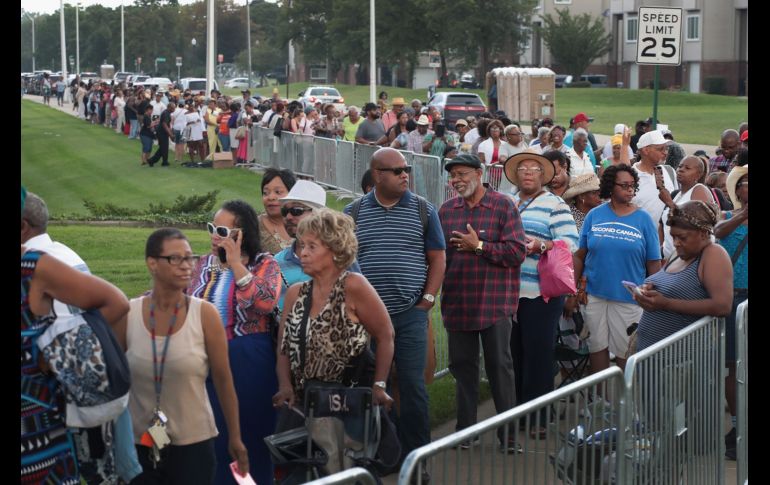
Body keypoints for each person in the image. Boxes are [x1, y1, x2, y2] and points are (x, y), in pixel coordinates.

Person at [114, 228, 248, 484]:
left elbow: (223, 379)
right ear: (152, 263)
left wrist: (235, 436)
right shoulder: (128, 315)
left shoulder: (204, 315)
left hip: (193, 445)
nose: (186, 266)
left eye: (189, 258)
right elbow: (113, 378)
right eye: (175, 259)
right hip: (139, 445)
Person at [21, 187, 130, 485]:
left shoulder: (40, 264)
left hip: (45, 411)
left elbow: (114, 305)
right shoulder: (65, 253)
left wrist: (53, 355)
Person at [343, 147, 446, 461]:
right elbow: (344, 261)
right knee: (373, 385)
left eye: (407, 170)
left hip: (410, 314)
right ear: (377, 175)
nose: (405, 176)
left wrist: (428, 299)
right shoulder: (353, 212)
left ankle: (416, 458)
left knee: (413, 387)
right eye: (398, 171)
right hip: (368, 319)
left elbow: (438, 257)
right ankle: (383, 454)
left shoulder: (423, 210)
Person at [273, 207, 395, 430]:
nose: (303, 253)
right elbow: (283, 345)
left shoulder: (354, 286)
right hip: (306, 400)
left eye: (312, 246)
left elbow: (386, 335)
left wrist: (379, 386)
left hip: (348, 402)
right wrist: (285, 385)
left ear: (336, 250)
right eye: (302, 245)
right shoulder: (295, 293)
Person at [187, 201, 282, 485]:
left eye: (221, 231)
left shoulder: (264, 263)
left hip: (248, 358)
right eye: (211, 228)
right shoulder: (204, 264)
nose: (214, 236)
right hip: (206, 358)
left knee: (251, 433)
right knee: (214, 432)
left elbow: (264, 302)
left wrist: (237, 264)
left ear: (241, 234)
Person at [439, 153, 527, 452]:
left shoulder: (503, 206)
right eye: (453, 176)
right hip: (457, 302)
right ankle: (466, 432)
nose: (456, 180)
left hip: (494, 303)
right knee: (463, 369)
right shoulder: (447, 211)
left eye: (462, 174)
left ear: (480, 174)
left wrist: (478, 246)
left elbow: (516, 253)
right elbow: (438, 257)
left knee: (499, 368)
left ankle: (509, 436)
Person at [504, 149, 579, 435]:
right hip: (508, 293)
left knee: (538, 355)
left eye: (534, 169)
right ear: (515, 175)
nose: (527, 173)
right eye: (522, 168)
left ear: (543, 175)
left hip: (541, 293)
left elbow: (570, 243)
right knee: (512, 355)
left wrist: (541, 245)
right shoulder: (508, 202)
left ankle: (538, 418)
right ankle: (515, 414)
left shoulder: (555, 204)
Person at [569, 165, 661, 376]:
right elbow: (580, 255)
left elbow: (654, 263)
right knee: (596, 348)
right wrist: (571, 291)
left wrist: (652, 294)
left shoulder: (644, 219)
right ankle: (601, 395)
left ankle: (625, 396)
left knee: (625, 353)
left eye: (633, 185)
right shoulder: (594, 215)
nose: (630, 190)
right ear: (610, 187)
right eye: (624, 185)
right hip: (594, 296)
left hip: (629, 298)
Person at [634, 200, 732, 349]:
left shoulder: (713, 254)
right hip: (651, 353)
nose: (676, 243)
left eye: (682, 238)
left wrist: (666, 303)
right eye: (673, 237)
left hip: (680, 358)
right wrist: (648, 290)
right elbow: (671, 286)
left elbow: (722, 306)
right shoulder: (678, 254)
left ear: (703, 233)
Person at [274, 180, 362, 311]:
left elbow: (362, 306)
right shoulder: (276, 262)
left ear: (317, 214)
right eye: (284, 211)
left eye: (296, 210)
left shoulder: (340, 258)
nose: (288, 217)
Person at [715, 163, 748, 461]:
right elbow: (718, 232)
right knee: (731, 365)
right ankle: (738, 426)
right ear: (737, 190)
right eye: (745, 183)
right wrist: (742, 215)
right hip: (732, 299)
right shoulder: (727, 217)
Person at [658, 156, 716, 260]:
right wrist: (662, 250)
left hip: (692, 259)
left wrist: (669, 203)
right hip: (670, 259)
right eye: (680, 166)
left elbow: (698, 223)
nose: (681, 170)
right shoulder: (676, 194)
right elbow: (663, 225)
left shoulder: (699, 190)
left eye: (687, 168)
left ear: (698, 174)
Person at [632, 130, 676, 235]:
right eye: (660, 149)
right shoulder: (630, 176)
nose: (665, 152)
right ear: (646, 150)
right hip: (640, 239)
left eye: (666, 148)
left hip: (667, 239)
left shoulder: (670, 172)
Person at [259, 168, 297, 254]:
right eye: (265, 193)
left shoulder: (303, 223)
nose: (271, 197)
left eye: (278, 192)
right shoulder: (253, 227)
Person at [148, 100, 175, 167]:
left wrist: (170, 133)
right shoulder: (166, 113)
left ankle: (163, 161)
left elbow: (166, 124)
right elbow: (164, 124)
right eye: (173, 108)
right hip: (162, 132)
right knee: (164, 147)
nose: (174, 109)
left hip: (162, 132)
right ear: (169, 107)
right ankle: (154, 160)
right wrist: (170, 134)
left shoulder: (166, 112)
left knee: (163, 148)